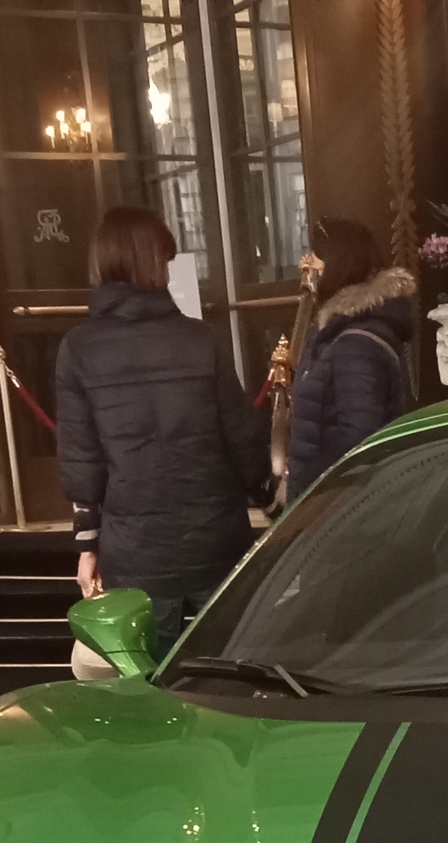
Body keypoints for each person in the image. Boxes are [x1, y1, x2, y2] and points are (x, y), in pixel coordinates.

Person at [58, 206, 267, 652]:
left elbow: (82, 458)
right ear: (155, 263)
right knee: (228, 670)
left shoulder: (79, 348)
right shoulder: (201, 338)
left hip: (136, 550)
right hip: (217, 535)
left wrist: (87, 545)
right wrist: (270, 498)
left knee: (152, 680)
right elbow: (242, 435)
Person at [284, 217, 416, 499]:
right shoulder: (334, 333)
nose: (306, 269)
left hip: (341, 509)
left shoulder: (356, 345)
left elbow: (358, 439)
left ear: (338, 263)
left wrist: (308, 487)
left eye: (315, 259)